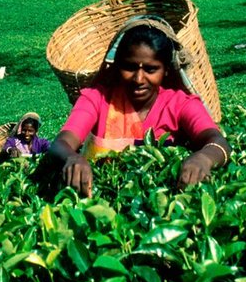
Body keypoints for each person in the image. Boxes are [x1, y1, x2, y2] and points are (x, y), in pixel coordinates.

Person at [49, 17, 232, 197]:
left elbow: (217, 140)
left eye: (151, 69)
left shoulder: (180, 104)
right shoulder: (97, 99)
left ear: (166, 70)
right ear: (117, 66)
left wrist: (204, 158)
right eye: (129, 67)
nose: (138, 79)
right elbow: (61, 143)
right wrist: (73, 158)